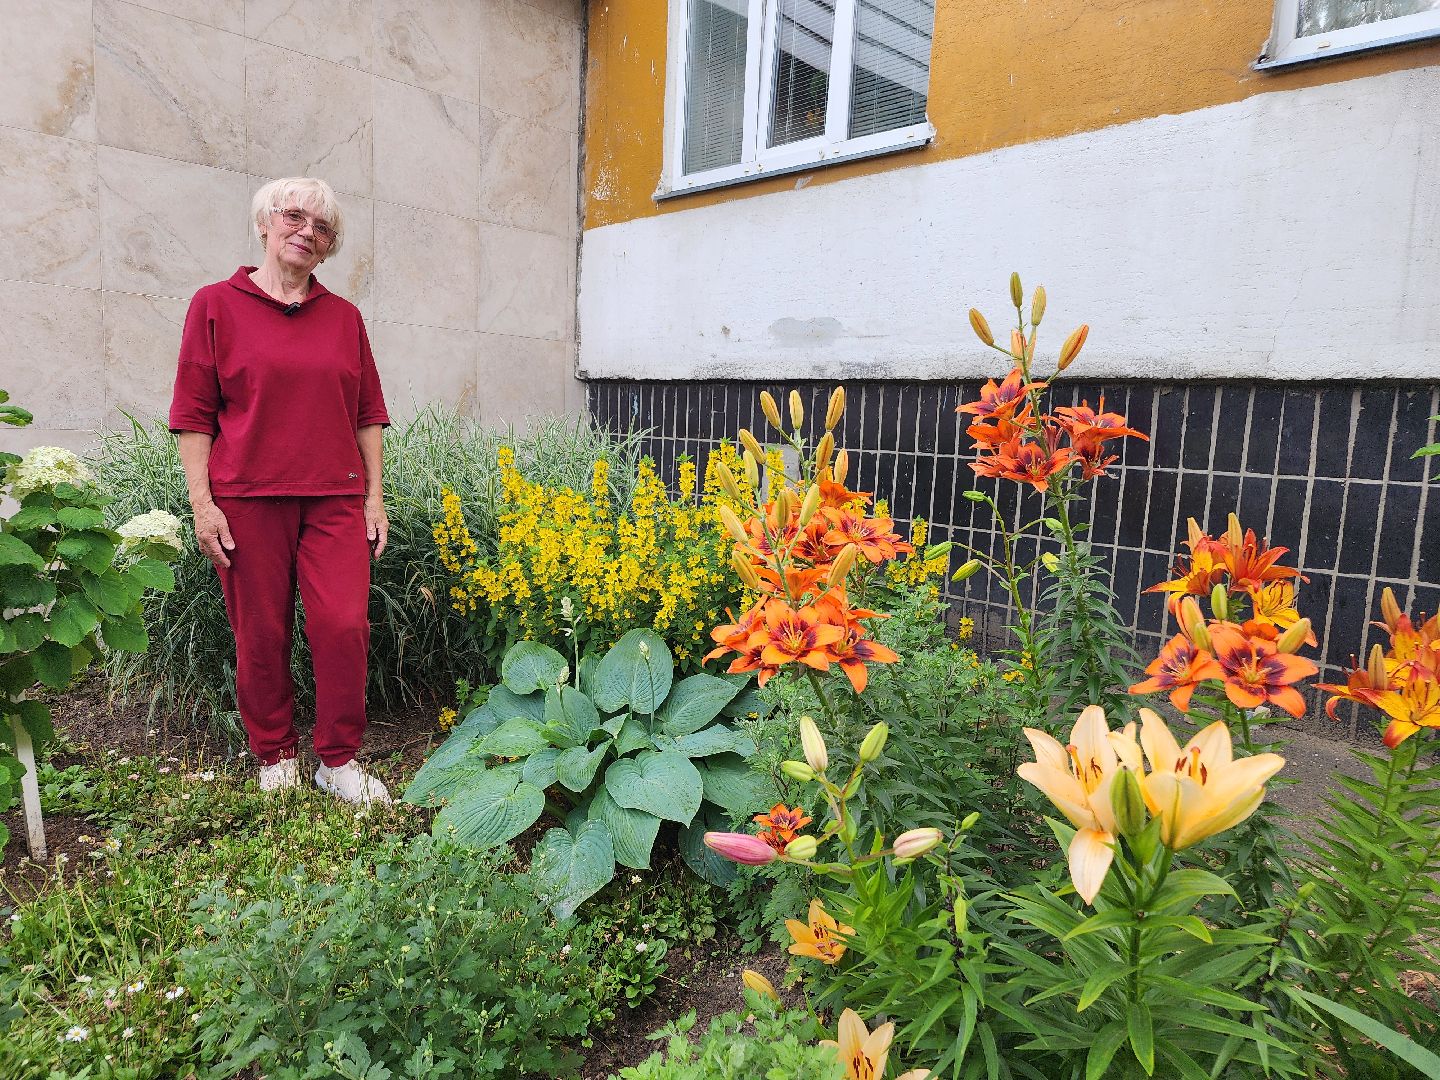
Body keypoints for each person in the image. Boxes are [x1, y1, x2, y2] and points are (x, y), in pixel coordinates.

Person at [168, 177, 392, 805]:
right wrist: (202, 504)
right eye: (294, 216)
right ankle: (273, 754)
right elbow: (193, 414)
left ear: (327, 249)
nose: (307, 231)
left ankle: (338, 760)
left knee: (344, 626)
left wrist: (375, 497)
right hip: (245, 498)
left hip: (335, 499)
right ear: (265, 223)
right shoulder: (214, 305)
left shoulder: (344, 318)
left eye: (323, 229)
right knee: (260, 632)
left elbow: (368, 415)